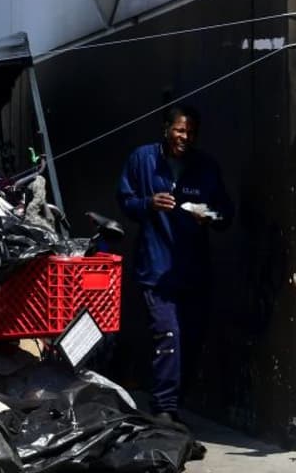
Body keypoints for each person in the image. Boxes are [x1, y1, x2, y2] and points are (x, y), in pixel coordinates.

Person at [117, 105, 233, 426]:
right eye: (180, 130)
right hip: (156, 269)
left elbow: (226, 214)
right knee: (168, 335)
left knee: (191, 338)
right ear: (166, 129)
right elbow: (125, 201)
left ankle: (176, 403)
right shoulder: (142, 159)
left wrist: (209, 216)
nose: (185, 137)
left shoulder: (206, 167)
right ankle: (164, 408)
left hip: (194, 271)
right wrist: (148, 203)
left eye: (191, 132)